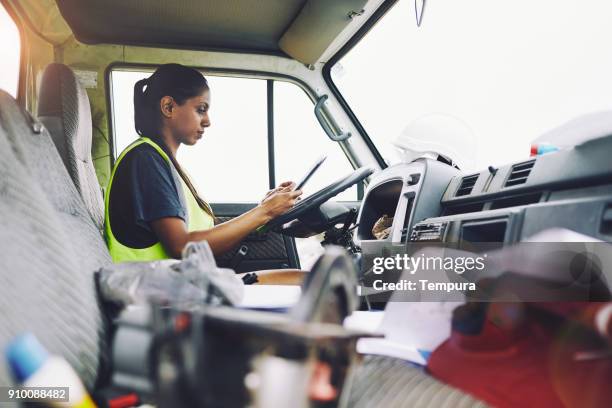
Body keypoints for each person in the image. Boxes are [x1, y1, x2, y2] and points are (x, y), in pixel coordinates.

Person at [104, 63, 304, 283]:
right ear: (168, 107)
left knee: (303, 279)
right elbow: (182, 247)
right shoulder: (145, 160)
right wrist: (264, 212)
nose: (207, 121)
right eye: (201, 109)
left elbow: (203, 238)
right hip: (158, 298)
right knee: (307, 282)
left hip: (178, 286)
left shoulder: (163, 162)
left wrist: (264, 209)